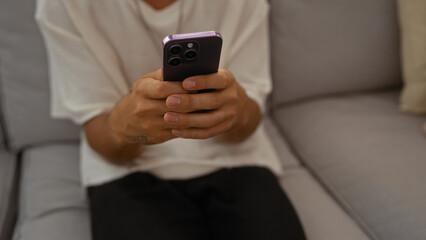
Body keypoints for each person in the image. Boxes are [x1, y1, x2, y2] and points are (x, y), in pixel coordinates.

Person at [36, 0, 306, 239]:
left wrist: (234, 112)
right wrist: (123, 128)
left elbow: (245, 127)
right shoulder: (63, 5)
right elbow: (104, 140)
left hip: (237, 163)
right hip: (126, 174)